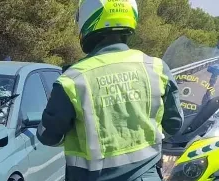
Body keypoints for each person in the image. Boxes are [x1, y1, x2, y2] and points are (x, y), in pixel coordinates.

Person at [36, 0, 184, 181]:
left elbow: (48, 136)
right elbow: (174, 124)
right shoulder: (156, 68)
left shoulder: (72, 80)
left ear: (87, 20)